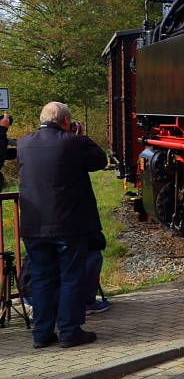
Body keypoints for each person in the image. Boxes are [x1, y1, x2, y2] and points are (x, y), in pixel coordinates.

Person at [17, 102, 108, 348]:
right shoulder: (72, 142)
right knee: (71, 277)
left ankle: (42, 334)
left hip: (33, 224)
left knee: (41, 278)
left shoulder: (23, 143)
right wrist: (81, 136)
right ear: (66, 120)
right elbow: (100, 160)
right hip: (68, 224)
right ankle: (70, 331)